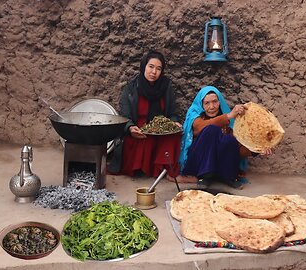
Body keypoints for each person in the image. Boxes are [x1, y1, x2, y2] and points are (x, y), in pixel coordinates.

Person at [178, 86, 271, 188]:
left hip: (220, 165)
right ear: (201, 104)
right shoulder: (196, 115)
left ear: (220, 102)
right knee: (211, 130)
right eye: (207, 103)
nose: (212, 106)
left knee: (230, 140)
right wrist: (229, 116)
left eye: (215, 102)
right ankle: (205, 176)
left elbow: (238, 148)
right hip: (198, 165)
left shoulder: (229, 123)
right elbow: (200, 127)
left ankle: (228, 176)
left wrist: (258, 150)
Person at [108, 50, 182, 179]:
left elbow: (172, 112)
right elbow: (124, 115)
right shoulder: (131, 87)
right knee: (145, 138)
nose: (154, 72)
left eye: (158, 69)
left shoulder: (166, 86)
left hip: (161, 130)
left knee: (175, 135)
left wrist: (174, 122)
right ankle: (145, 169)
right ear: (144, 67)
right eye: (151, 67)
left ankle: (164, 170)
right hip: (138, 130)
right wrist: (130, 128)